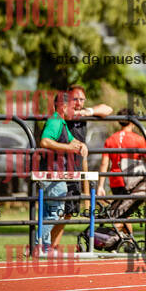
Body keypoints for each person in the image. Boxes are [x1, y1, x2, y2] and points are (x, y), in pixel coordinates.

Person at [97, 108, 146, 235]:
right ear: (133, 121)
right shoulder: (139, 139)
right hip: (132, 181)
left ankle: (127, 241)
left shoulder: (110, 139)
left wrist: (101, 186)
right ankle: (113, 237)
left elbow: (104, 163)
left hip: (115, 180)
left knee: (123, 213)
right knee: (123, 213)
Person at [37, 92, 88, 251]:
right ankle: (36, 244)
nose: (75, 110)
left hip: (54, 175)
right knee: (55, 213)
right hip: (53, 175)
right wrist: (68, 148)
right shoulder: (55, 121)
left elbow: (73, 140)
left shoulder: (62, 123)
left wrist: (82, 145)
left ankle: (43, 247)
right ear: (64, 107)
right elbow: (45, 141)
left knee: (49, 213)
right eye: (73, 107)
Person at [65, 85, 113, 218]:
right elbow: (66, 113)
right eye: (75, 99)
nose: (78, 102)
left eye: (82, 99)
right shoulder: (63, 111)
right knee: (61, 210)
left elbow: (108, 109)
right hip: (63, 161)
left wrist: (89, 111)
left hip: (78, 160)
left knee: (69, 212)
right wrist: (80, 113)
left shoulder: (84, 111)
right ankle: (43, 234)